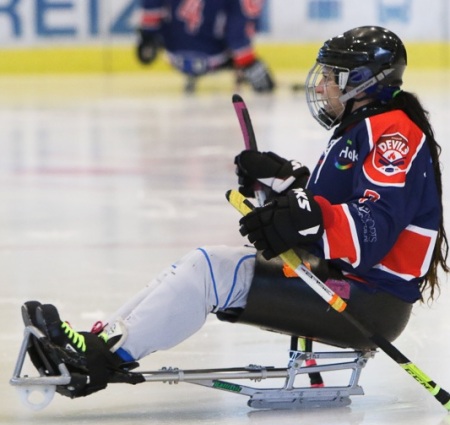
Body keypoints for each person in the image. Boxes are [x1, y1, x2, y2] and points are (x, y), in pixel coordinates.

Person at [23, 26, 448, 398]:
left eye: (331, 79)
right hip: (343, 283)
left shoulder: (393, 133)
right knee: (199, 264)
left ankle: (97, 359)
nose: (321, 88)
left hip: (366, 303)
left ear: (361, 83)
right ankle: (100, 344)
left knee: (211, 271)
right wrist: (281, 181)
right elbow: (328, 206)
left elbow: (372, 230)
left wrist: (300, 214)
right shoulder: (364, 127)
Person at [135, 0, 275, 93]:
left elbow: (152, 10)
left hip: (174, 57)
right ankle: (240, 71)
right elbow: (236, 36)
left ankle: (191, 73)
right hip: (212, 60)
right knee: (234, 25)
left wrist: (147, 38)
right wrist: (250, 64)